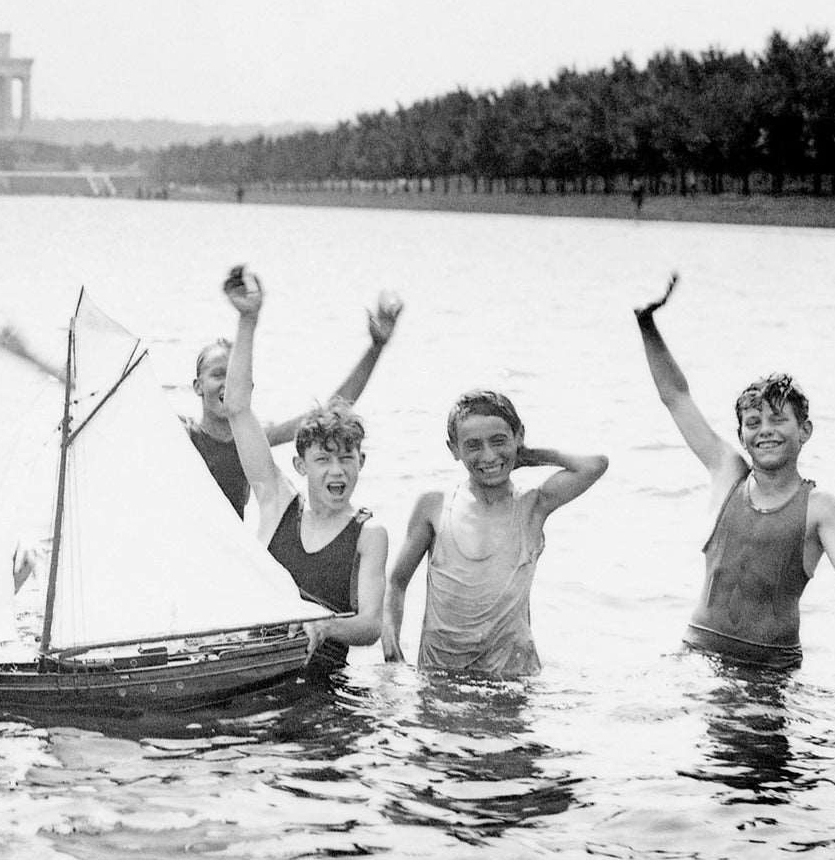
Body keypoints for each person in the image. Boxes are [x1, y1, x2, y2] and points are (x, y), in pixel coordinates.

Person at [633, 271, 835, 663]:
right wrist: (647, 324)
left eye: (777, 421)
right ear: (741, 435)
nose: (765, 432)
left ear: (804, 430)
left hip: (771, 669)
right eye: (753, 424)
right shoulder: (727, 474)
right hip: (698, 655)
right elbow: (675, 396)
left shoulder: (820, 507)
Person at [219, 266, 388, 675]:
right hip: (248, 671)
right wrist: (248, 320)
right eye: (324, 460)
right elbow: (238, 407)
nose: (337, 471)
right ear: (300, 466)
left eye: (347, 458)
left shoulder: (369, 535)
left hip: (321, 684)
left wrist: (323, 625)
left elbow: (369, 625)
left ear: (361, 463)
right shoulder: (277, 502)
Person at [382, 392, 608, 676]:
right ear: (454, 449)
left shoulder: (533, 506)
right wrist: (393, 655)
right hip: (440, 672)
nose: (488, 456)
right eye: (473, 446)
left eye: (499, 441)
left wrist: (527, 455)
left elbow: (595, 465)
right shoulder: (435, 506)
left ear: (518, 435)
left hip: (512, 673)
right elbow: (396, 582)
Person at [185, 289, 405, 516]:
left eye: (233, 376)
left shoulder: (256, 439)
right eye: (218, 375)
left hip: (229, 548)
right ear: (198, 386)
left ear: (247, 385)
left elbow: (335, 408)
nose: (228, 384)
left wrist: (376, 348)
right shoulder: (180, 434)